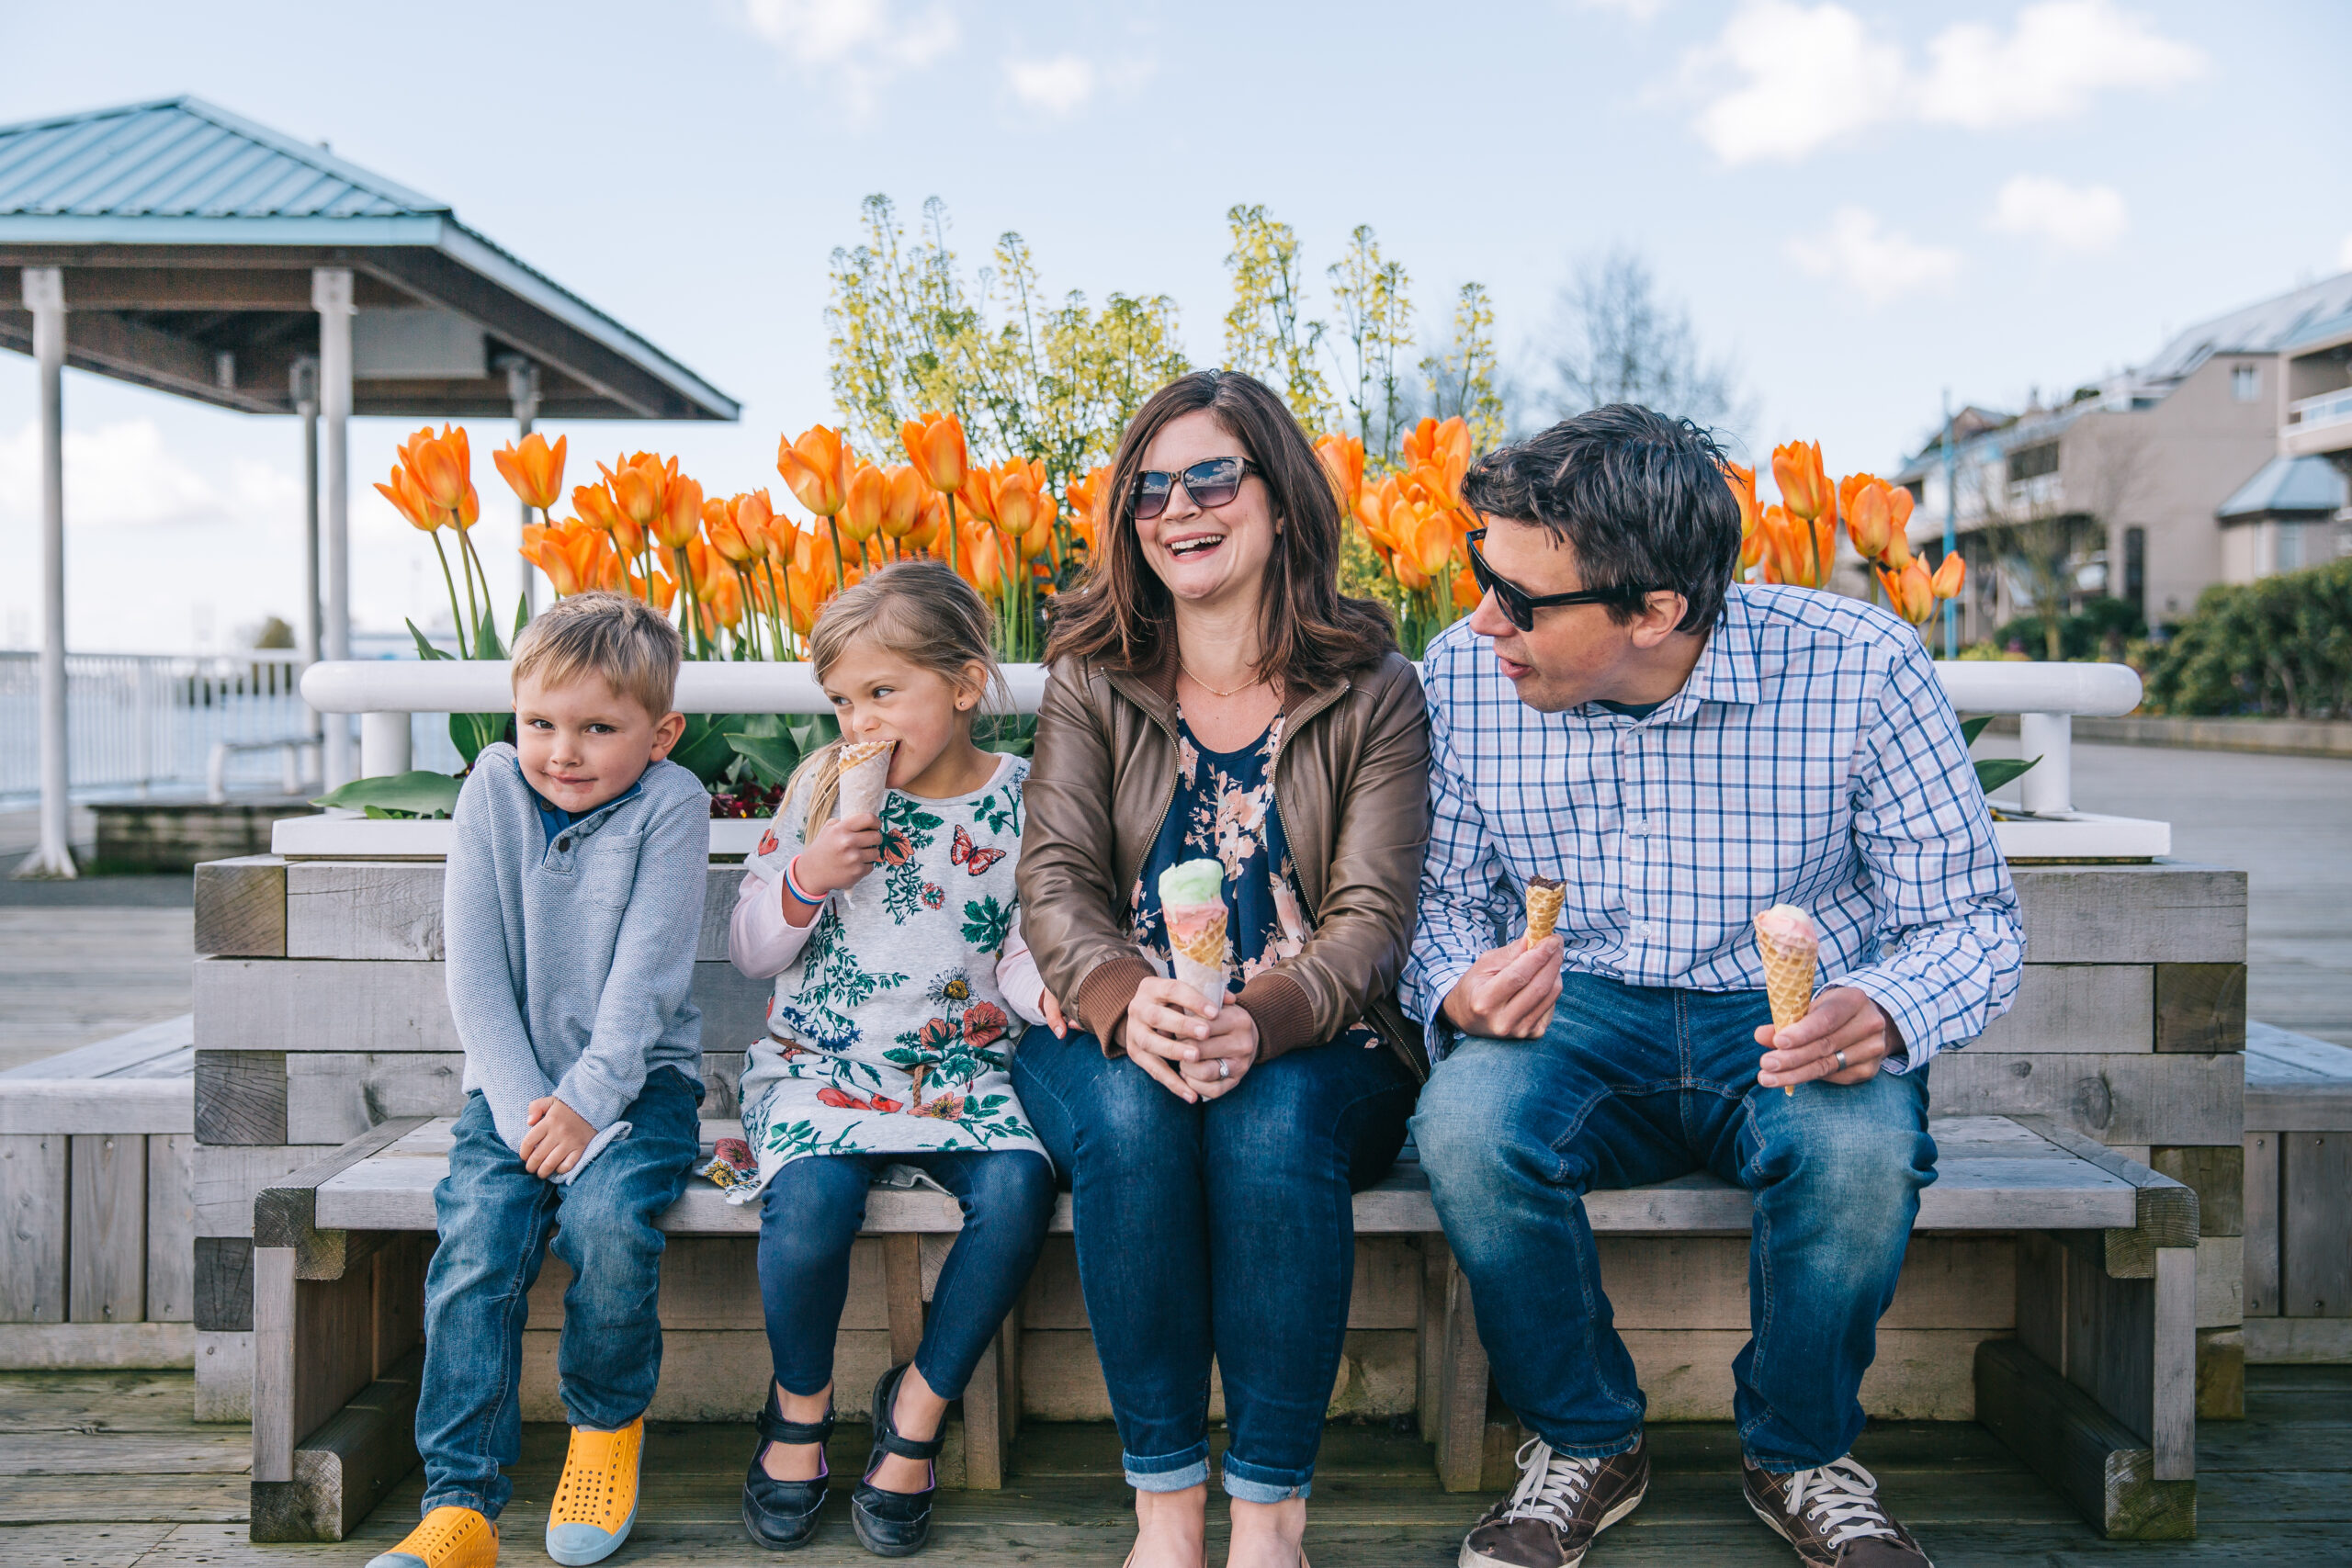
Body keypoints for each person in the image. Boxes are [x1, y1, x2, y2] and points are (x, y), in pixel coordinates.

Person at [1405, 406, 2024, 1568]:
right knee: (1467, 1125)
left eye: (1523, 602)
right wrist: (1456, 991)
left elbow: (1970, 922)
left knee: (1856, 1154)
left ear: (1655, 612)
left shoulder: (1859, 666)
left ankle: (1800, 1455)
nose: (1483, 620)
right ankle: (1586, 1439)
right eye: (1482, 576)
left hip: (1791, 1023)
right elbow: (1435, 908)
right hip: (1576, 1012)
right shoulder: (1462, 677)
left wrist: (1885, 1009)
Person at [1014, 369, 1430, 1568]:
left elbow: (1371, 918)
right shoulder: (1093, 675)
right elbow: (1055, 883)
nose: (1178, 507)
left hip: (1318, 1034)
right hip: (1113, 1018)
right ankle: (1165, 1519)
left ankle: (1268, 1522)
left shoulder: (1374, 690)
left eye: (1211, 476)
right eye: (1150, 487)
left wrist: (1263, 1014)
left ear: (1284, 500)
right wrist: (1114, 996)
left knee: (1267, 1127)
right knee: (1136, 1121)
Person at [372, 591, 712, 1568]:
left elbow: (646, 983)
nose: (563, 751)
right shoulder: (490, 792)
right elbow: (473, 976)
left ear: (661, 733)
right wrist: (534, 1111)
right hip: (510, 1090)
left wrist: (587, 1105)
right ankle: (460, 1505)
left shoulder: (671, 805)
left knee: (606, 1227)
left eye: (598, 728)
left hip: (637, 1085)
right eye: (541, 724)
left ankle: (604, 1434)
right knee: (477, 1248)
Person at [728, 562, 1057, 1558]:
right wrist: (804, 876)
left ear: (963, 686)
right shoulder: (820, 787)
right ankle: (800, 1410)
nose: (858, 721)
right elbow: (751, 952)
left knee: (1020, 1190)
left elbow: (1025, 953)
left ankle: (916, 1409)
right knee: (811, 1206)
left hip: (961, 1075)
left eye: (883, 693)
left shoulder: (1025, 803)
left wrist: (1062, 1004)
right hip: (820, 1064)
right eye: (840, 699)